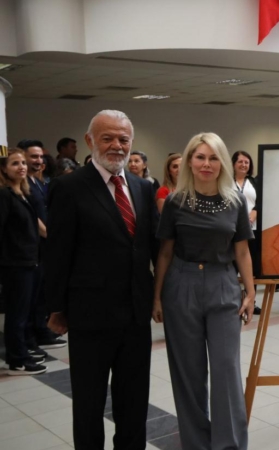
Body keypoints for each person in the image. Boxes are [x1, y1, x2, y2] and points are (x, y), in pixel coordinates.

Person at [45, 110, 158, 449]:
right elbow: (58, 251)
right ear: (89, 141)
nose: (116, 146)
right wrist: (56, 307)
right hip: (89, 316)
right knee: (89, 405)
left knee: (134, 404)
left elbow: (150, 246)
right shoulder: (68, 187)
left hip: (136, 317)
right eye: (107, 138)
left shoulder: (142, 187)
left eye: (123, 139)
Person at [153, 132, 254, 450]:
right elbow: (165, 252)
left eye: (213, 157)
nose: (207, 164)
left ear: (222, 161)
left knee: (226, 368)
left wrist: (250, 293)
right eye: (200, 157)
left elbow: (242, 252)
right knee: (188, 372)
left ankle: (229, 444)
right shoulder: (175, 201)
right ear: (189, 161)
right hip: (181, 284)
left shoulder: (234, 201)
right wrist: (156, 296)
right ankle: (196, 443)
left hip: (222, 283)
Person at [0, 148, 47, 375]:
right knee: (17, 313)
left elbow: (37, 224)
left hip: (30, 259)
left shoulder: (23, 193)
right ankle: (17, 360)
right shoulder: (4, 195)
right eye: (14, 163)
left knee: (25, 309)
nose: (21, 167)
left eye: (22, 163)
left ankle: (22, 352)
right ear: (3, 169)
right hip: (15, 263)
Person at [18, 140, 67, 354]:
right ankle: (28, 340)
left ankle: (41, 331)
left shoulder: (37, 182)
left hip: (45, 247)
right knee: (28, 299)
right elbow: (32, 216)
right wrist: (51, 235)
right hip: (33, 247)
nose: (38, 161)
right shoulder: (22, 184)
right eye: (33, 157)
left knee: (41, 294)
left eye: (40, 157)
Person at [232, 150, 279, 297]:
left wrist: (255, 211)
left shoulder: (253, 182)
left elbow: (263, 200)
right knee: (232, 266)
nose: (243, 165)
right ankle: (233, 300)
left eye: (246, 162)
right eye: (240, 162)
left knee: (252, 266)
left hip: (253, 229)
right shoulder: (226, 182)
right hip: (231, 230)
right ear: (233, 164)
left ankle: (251, 299)